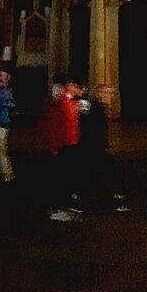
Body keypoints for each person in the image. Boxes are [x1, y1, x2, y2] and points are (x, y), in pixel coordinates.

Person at [76, 83, 129, 213]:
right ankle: (109, 198)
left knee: (96, 172)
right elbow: (89, 127)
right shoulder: (95, 108)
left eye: (111, 93)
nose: (110, 96)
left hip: (94, 146)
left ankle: (83, 199)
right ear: (99, 94)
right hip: (92, 147)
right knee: (97, 172)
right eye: (107, 93)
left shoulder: (98, 107)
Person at [40, 73, 82, 219]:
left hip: (68, 143)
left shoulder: (67, 101)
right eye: (73, 85)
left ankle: (61, 205)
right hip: (61, 145)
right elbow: (55, 126)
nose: (76, 88)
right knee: (58, 178)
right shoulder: (59, 102)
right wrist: (54, 146)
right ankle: (56, 208)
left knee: (64, 177)